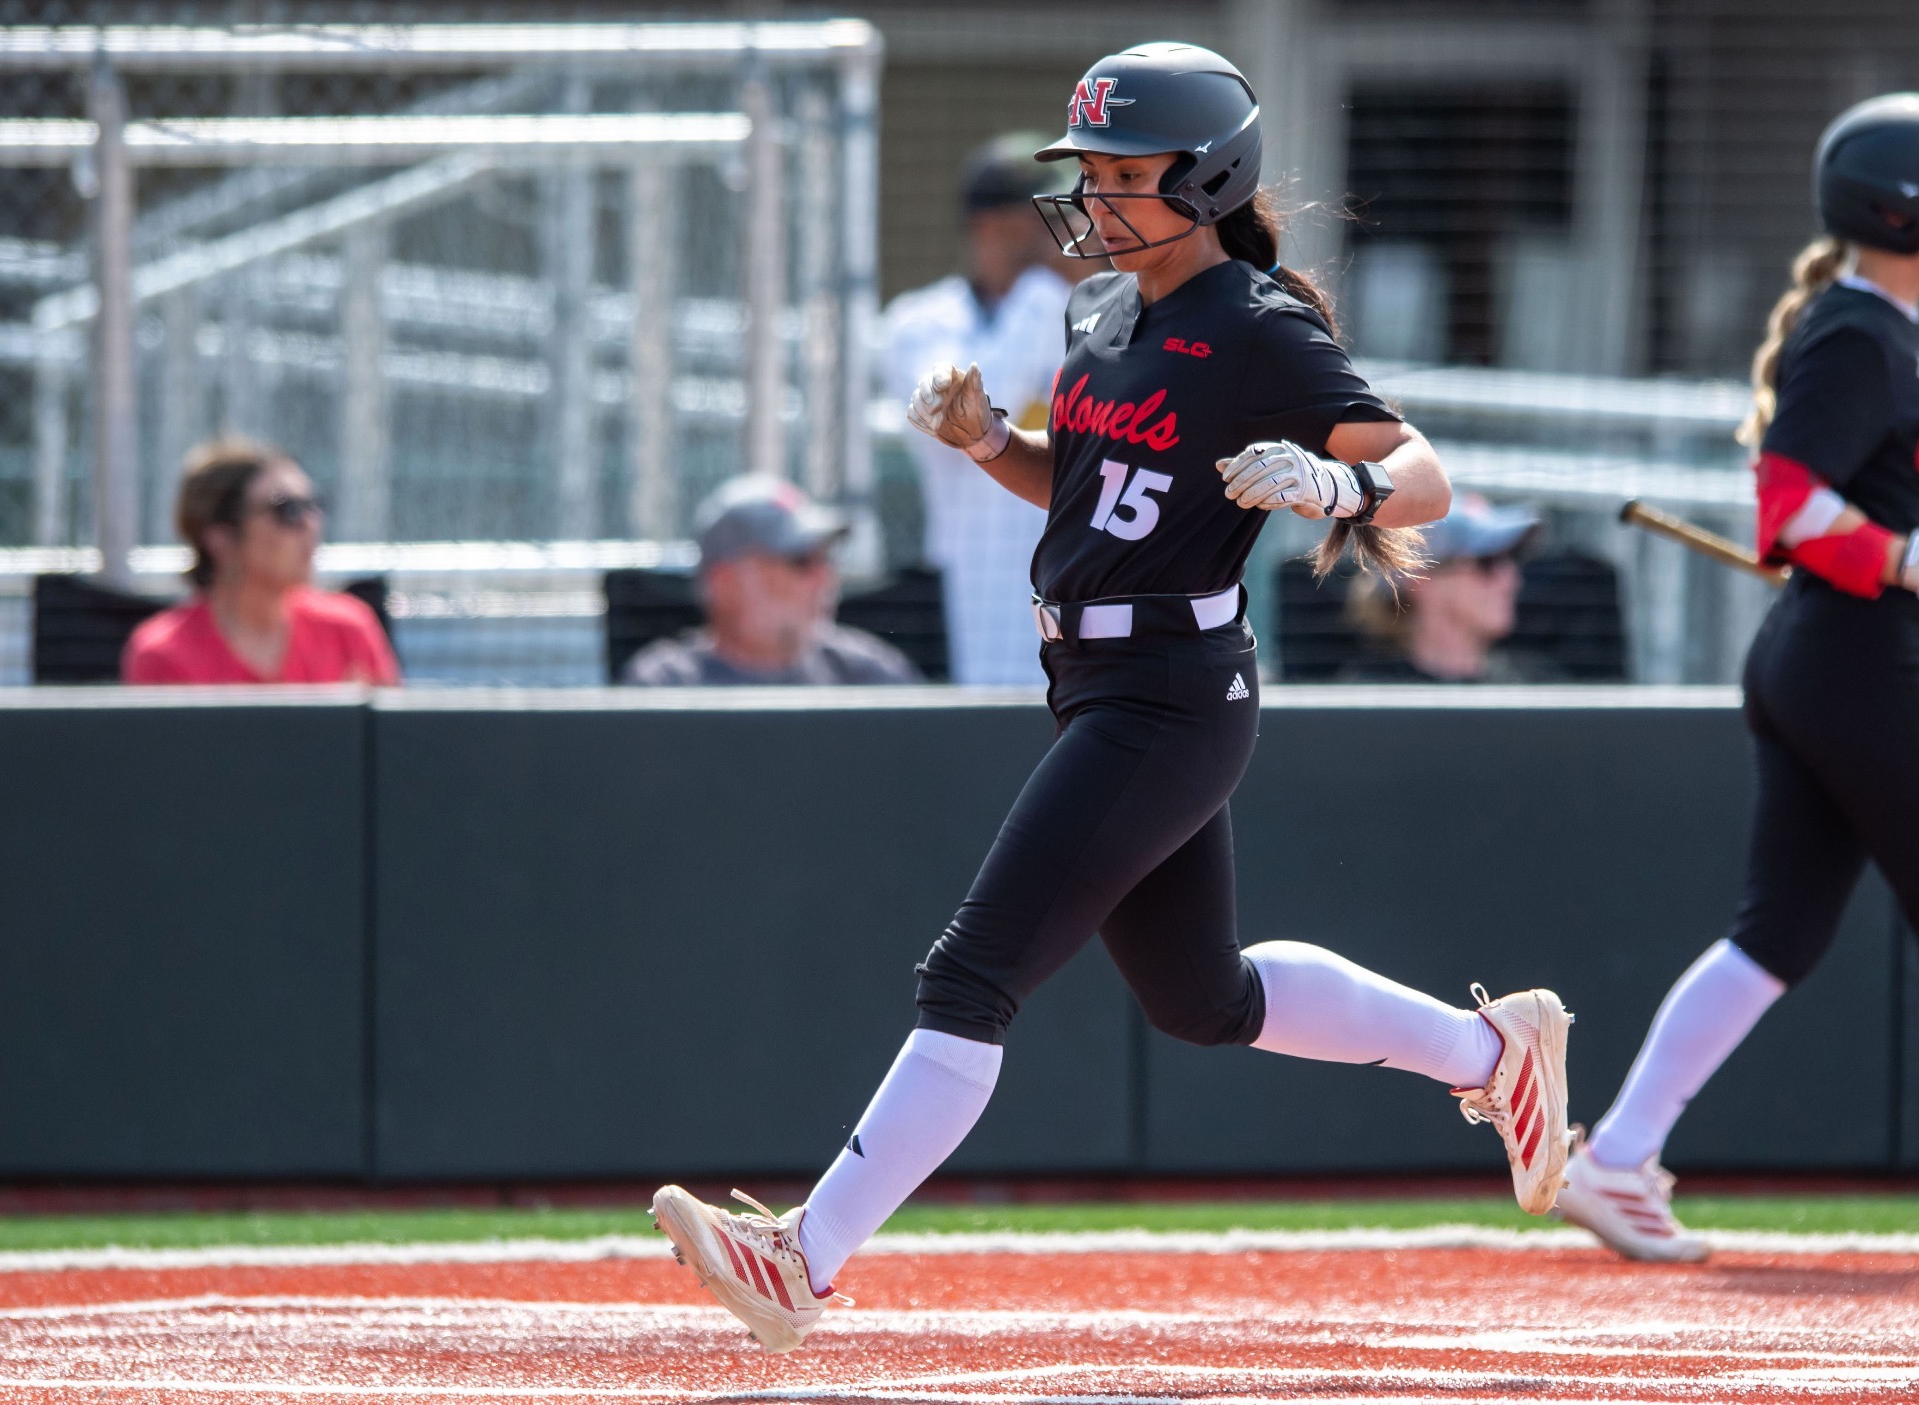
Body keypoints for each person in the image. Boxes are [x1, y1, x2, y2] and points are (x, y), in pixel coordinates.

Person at [650, 42, 1571, 1354]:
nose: (1096, 197)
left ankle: (806, 1257)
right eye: (1090, 171)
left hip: (1171, 689)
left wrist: (1334, 487)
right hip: (1096, 678)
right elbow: (1088, 488)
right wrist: (987, 446)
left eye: (1126, 174)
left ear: (1209, 178)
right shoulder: (1098, 310)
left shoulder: (1257, 322)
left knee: (971, 974)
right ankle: (1497, 1059)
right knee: (1206, 1000)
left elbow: (1421, 474)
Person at [1555, 94, 1919, 1266]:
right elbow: (1787, 512)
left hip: (1844, 654)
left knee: (1778, 934)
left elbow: (1848, 511)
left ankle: (1615, 1158)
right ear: (1893, 207)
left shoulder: (1884, 332)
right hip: (1852, 659)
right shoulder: (1859, 333)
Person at [880, 134, 1079, 686]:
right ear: (989, 227)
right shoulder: (920, 321)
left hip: (1077, 585)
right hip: (974, 595)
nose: (1064, 233)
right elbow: (965, 408)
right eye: (1044, 219)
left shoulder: (1091, 312)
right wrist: (1044, 284)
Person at [122, 437, 399, 686]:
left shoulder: (349, 630)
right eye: (287, 510)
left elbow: (397, 741)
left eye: (313, 505)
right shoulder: (164, 655)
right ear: (221, 537)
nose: (311, 525)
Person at [623, 475, 918, 687]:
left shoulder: (869, 677)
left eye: (825, 558)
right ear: (725, 584)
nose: (825, 577)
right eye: (800, 560)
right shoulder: (665, 688)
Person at [1338, 493, 1561, 683]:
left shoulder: (1536, 691)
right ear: (1420, 579)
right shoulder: (1368, 702)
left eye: (1513, 558)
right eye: (1487, 562)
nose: (1511, 580)